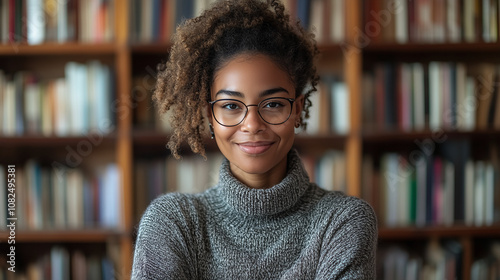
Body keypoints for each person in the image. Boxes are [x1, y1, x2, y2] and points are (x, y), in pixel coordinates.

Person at [131, 0, 377, 279]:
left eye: (273, 104)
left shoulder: (343, 221)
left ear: (296, 110)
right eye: (231, 106)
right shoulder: (173, 222)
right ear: (209, 116)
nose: (252, 125)